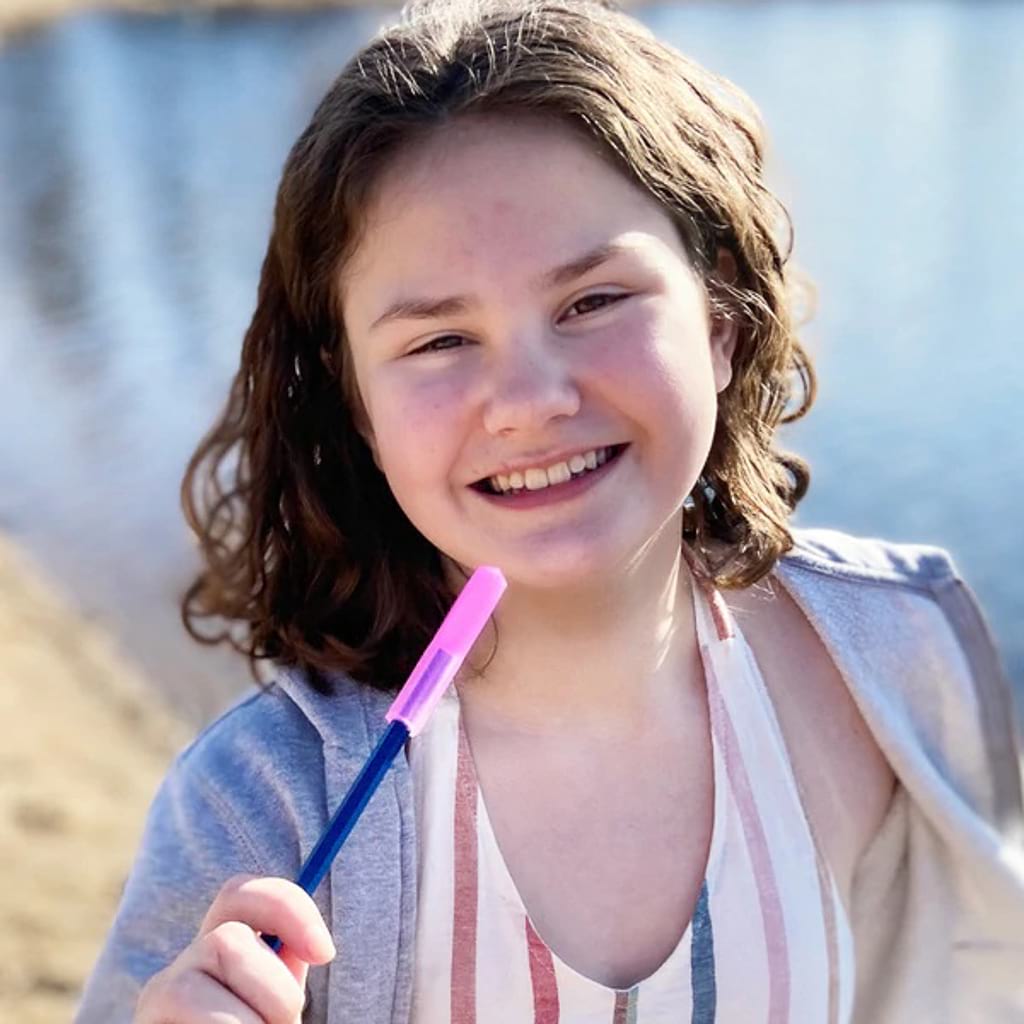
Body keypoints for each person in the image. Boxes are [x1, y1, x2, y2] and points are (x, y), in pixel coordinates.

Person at [75, 0, 1024, 1021]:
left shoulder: (897, 658)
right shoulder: (260, 803)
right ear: (355, 403)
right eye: (439, 341)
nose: (530, 399)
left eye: (591, 302)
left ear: (721, 321)